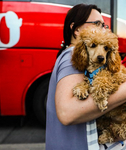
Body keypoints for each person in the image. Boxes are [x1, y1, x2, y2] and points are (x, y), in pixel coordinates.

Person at [45, 3, 126, 150]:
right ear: (76, 30)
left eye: (104, 25)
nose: (103, 29)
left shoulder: (69, 55)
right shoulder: (73, 55)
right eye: (97, 24)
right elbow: (67, 113)